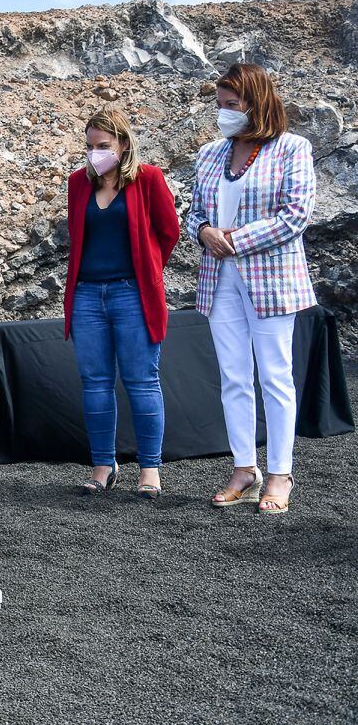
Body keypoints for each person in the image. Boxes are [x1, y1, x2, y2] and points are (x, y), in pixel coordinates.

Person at [187, 63, 317, 515]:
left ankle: (280, 473)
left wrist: (233, 240)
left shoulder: (292, 148)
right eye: (219, 105)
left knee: (275, 376)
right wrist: (203, 231)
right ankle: (245, 467)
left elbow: (296, 215)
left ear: (256, 103)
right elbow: (193, 212)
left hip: (272, 281)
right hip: (219, 280)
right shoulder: (209, 154)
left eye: (231, 105)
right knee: (233, 376)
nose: (223, 113)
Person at [63, 107, 180, 498]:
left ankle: (150, 470)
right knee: (95, 383)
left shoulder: (149, 178)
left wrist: (147, 271)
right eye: (90, 146)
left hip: (132, 292)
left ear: (123, 144)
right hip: (87, 295)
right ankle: (102, 467)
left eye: (103, 145)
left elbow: (168, 232)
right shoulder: (79, 182)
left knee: (142, 381)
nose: (95, 153)